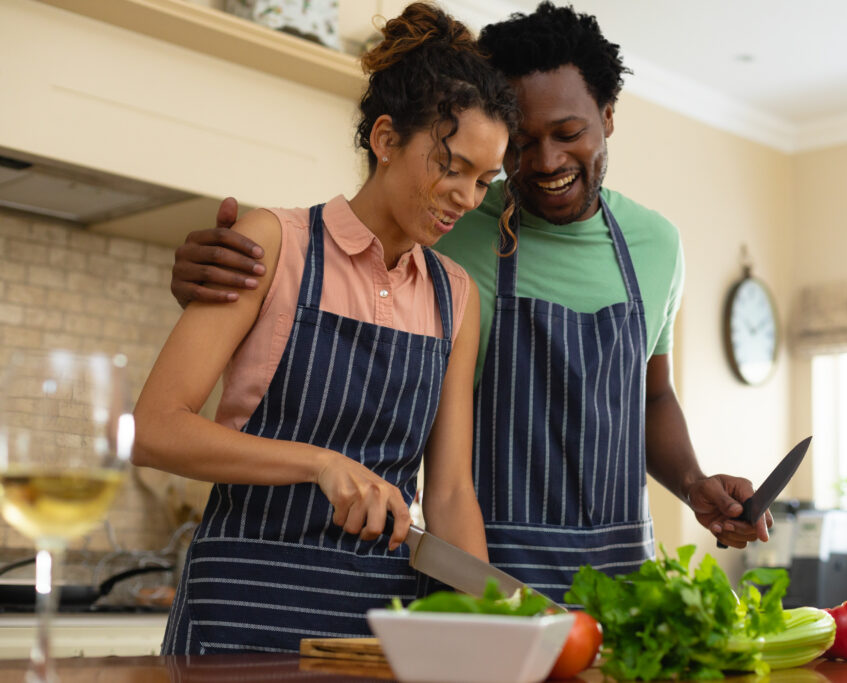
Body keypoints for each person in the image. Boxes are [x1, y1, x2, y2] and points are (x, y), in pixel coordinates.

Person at [169, 2, 771, 604]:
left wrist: (693, 482)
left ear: (608, 117)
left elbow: (651, 393)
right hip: (474, 565)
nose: (545, 162)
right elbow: (335, 257)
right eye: (521, 145)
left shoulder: (654, 246)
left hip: (617, 577)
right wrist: (217, 274)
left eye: (568, 133)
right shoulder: (446, 225)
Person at [132, 3, 519, 653]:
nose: (468, 197)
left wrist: (491, 630)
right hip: (241, 612)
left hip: (379, 625)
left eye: (485, 180)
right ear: (387, 139)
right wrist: (317, 463)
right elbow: (152, 427)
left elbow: (449, 491)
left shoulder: (457, 296)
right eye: (451, 167)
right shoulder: (276, 243)